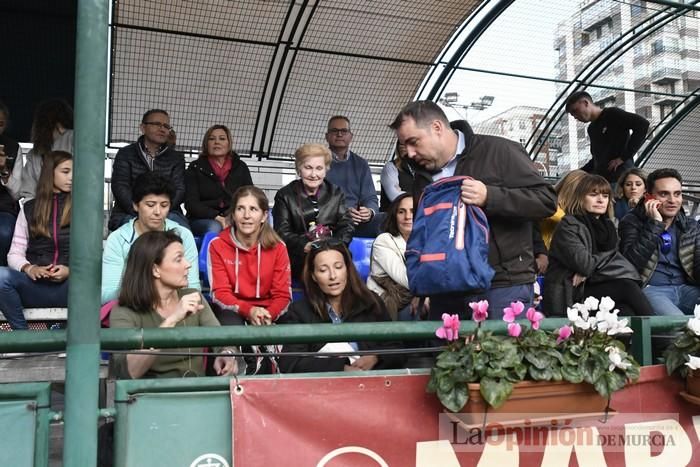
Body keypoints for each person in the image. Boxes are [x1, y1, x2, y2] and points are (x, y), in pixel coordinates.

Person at [389, 100, 557, 319]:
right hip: (444, 292)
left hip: (501, 287)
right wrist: (424, 286)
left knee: (500, 354)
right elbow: (425, 233)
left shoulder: (499, 152)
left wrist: (490, 196)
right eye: (405, 145)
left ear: (437, 128)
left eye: (414, 142)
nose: (409, 153)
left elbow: (546, 200)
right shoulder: (422, 175)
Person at [110, 230, 239, 379]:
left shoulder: (194, 298)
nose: (188, 264)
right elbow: (130, 372)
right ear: (155, 270)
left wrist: (227, 355)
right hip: (151, 398)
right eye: (178, 259)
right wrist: (172, 320)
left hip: (197, 394)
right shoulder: (124, 312)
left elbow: (222, 341)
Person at [278, 239, 404, 373]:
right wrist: (340, 368)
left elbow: (397, 349)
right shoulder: (300, 312)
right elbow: (290, 362)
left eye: (338, 267)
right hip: (323, 390)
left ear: (347, 269)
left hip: (371, 386)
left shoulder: (371, 302)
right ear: (313, 276)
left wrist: (376, 357)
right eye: (323, 270)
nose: (333, 276)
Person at [543, 174, 653, 317]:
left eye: (605, 196)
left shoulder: (609, 227)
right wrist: (611, 255)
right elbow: (585, 264)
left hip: (597, 284)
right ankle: (665, 336)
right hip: (571, 293)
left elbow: (597, 263)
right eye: (593, 195)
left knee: (626, 312)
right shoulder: (569, 226)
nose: (601, 200)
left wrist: (596, 264)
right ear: (581, 198)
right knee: (627, 286)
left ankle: (658, 338)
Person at [102, 172, 200, 305]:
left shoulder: (183, 235)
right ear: (136, 205)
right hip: (133, 306)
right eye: (150, 205)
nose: (158, 212)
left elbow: (193, 288)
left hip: (174, 306)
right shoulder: (118, 239)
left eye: (164, 205)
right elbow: (108, 294)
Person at [0, 151, 73, 329]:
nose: (71, 177)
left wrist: (70, 271)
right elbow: (15, 253)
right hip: (35, 286)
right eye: (65, 171)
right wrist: (30, 268)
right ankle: (24, 338)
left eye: (74, 172)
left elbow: (92, 258)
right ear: (50, 173)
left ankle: (68, 336)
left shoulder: (83, 207)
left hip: (70, 288)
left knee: (97, 281)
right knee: (1, 276)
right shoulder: (29, 208)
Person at [619, 168, 700, 316]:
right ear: (648, 197)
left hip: (687, 289)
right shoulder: (632, 222)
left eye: (677, 194)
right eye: (664, 194)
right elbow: (630, 263)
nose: (672, 200)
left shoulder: (690, 225)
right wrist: (655, 224)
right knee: (676, 324)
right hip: (652, 289)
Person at [209, 185, 291, 325]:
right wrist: (249, 311)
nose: (246, 216)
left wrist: (267, 315)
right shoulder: (217, 245)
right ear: (234, 215)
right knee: (227, 321)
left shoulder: (278, 247)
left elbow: (282, 295)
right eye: (240, 209)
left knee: (295, 318)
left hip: (268, 310)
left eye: (253, 209)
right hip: (234, 310)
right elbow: (220, 293)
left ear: (264, 216)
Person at [272, 143, 353, 280]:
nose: (314, 174)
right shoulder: (285, 195)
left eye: (319, 168)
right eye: (308, 168)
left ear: (326, 170)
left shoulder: (336, 193)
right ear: (299, 169)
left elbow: (347, 226)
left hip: (333, 251)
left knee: (338, 264)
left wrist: (333, 246)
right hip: (300, 255)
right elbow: (281, 232)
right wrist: (304, 245)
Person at [109, 109, 187, 231]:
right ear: (143, 127)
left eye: (166, 126)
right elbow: (120, 186)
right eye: (157, 124)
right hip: (128, 212)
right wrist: (142, 210)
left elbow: (180, 189)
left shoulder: (176, 158)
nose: (162, 129)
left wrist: (161, 209)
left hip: (168, 213)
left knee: (183, 234)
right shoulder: (126, 153)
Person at [565, 91, 649, 184]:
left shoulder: (612, 114)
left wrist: (623, 158)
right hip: (602, 182)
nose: (575, 116)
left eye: (575, 111)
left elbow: (642, 124)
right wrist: (578, 173)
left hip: (619, 180)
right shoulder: (592, 128)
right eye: (572, 115)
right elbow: (597, 159)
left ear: (585, 103)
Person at [185, 125, 253, 237]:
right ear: (206, 144)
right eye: (212, 139)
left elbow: (250, 196)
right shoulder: (195, 167)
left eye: (222, 138)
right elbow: (191, 203)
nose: (217, 142)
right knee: (215, 227)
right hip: (203, 219)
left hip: (235, 216)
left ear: (229, 143)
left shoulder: (240, 167)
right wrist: (217, 217)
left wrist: (232, 216)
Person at [324, 116, 383, 237]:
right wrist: (343, 213)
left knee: (387, 219)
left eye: (344, 131)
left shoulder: (361, 164)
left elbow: (370, 197)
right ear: (327, 136)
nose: (339, 134)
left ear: (351, 136)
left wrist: (369, 212)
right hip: (331, 220)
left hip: (356, 220)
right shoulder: (319, 163)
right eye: (334, 131)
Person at [6, 98, 73, 201]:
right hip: (43, 209)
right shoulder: (34, 154)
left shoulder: (73, 138)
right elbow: (28, 193)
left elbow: (28, 193)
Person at [367, 193, 419, 321]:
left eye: (413, 211)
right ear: (395, 216)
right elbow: (408, 280)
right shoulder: (383, 241)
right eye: (401, 212)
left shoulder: (427, 241)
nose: (407, 217)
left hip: (414, 296)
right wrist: (426, 295)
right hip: (387, 305)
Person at [0, 102, 20, 265]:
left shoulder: (13, 147)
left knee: (5, 232)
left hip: (4, 208)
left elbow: (17, 192)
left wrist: (4, 169)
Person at [380, 141, 416, 212]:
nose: (402, 146)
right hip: (391, 216)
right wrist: (419, 196)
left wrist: (402, 192)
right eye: (401, 143)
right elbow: (394, 196)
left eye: (407, 143)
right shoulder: (390, 167)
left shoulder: (423, 167)